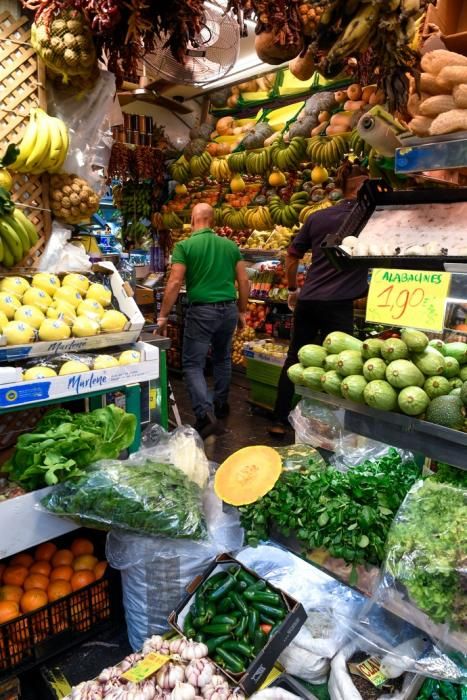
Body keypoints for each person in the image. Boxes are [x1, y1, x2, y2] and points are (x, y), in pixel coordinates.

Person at [269, 164, 370, 436]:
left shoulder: (318, 217)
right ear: (362, 188)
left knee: (295, 359)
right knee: (341, 364)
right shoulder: (369, 218)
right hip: (338, 306)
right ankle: (329, 429)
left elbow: (292, 255)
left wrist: (292, 289)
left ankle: (279, 420)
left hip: (309, 300)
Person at [156, 203, 250, 438]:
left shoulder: (185, 246)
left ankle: (203, 414)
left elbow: (175, 283)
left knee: (193, 364)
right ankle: (221, 404)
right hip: (228, 309)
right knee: (222, 358)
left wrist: (163, 315)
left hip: (202, 312)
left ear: (193, 220)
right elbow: (244, 281)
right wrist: (242, 310)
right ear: (213, 221)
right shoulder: (230, 246)